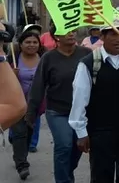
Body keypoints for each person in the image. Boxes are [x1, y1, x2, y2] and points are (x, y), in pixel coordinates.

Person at [69, 20, 119, 182]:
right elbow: (79, 99)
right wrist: (81, 132)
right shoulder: (89, 63)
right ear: (102, 36)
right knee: (101, 175)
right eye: (113, 34)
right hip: (100, 131)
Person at [26, 27, 91, 183]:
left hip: (82, 113)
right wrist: (31, 113)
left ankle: (66, 174)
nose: (71, 34)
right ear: (56, 36)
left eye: (73, 30)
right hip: (57, 111)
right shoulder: (48, 58)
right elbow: (38, 86)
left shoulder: (86, 54)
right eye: (66, 31)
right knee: (64, 145)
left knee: (78, 147)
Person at [9, 30, 43, 179]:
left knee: (28, 131)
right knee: (20, 132)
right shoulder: (13, 58)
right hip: (16, 102)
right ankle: (22, 165)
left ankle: (19, 149)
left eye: (35, 42)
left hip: (35, 103)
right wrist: (11, 74)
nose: (31, 45)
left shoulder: (44, 58)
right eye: (28, 42)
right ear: (21, 44)